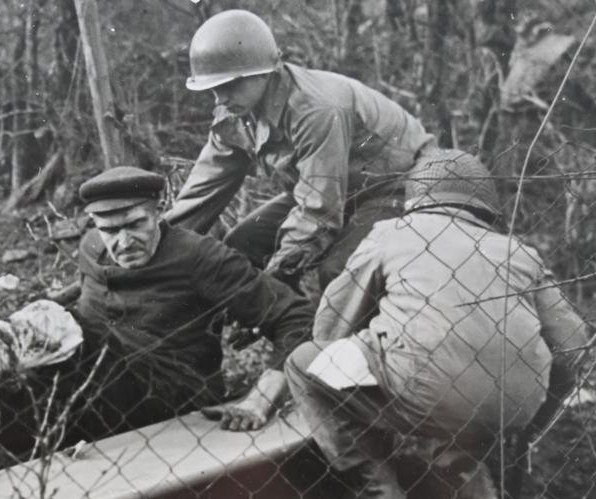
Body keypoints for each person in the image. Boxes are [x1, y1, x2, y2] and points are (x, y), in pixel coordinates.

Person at [284, 151, 590, 499]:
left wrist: (381, 337)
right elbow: (574, 341)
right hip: (511, 407)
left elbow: (329, 328)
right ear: (484, 207)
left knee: (302, 362)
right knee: (456, 416)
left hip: (424, 391)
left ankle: (378, 495)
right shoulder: (517, 251)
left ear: (415, 199)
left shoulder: (393, 233)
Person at [165, 9, 439, 293]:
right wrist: (155, 245)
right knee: (241, 247)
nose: (220, 99)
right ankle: (288, 328)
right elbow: (200, 195)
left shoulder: (315, 110)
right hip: (329, 192)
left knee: (341, 272)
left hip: (393, 189)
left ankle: (331, 335)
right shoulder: (235, 113)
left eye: (230, 85)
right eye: (213, 89)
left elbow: (319, 213)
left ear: (265, 73)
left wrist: (275, 279)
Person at [73, 166, 313, 437]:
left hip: (170, 392)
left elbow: (297, 316)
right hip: (92, 381)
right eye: (110, 230)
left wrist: (262, 397)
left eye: (135, 224)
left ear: (160, 210)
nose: (125, 242)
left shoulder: (200, 256)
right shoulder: (91, 247)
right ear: (94, 223)